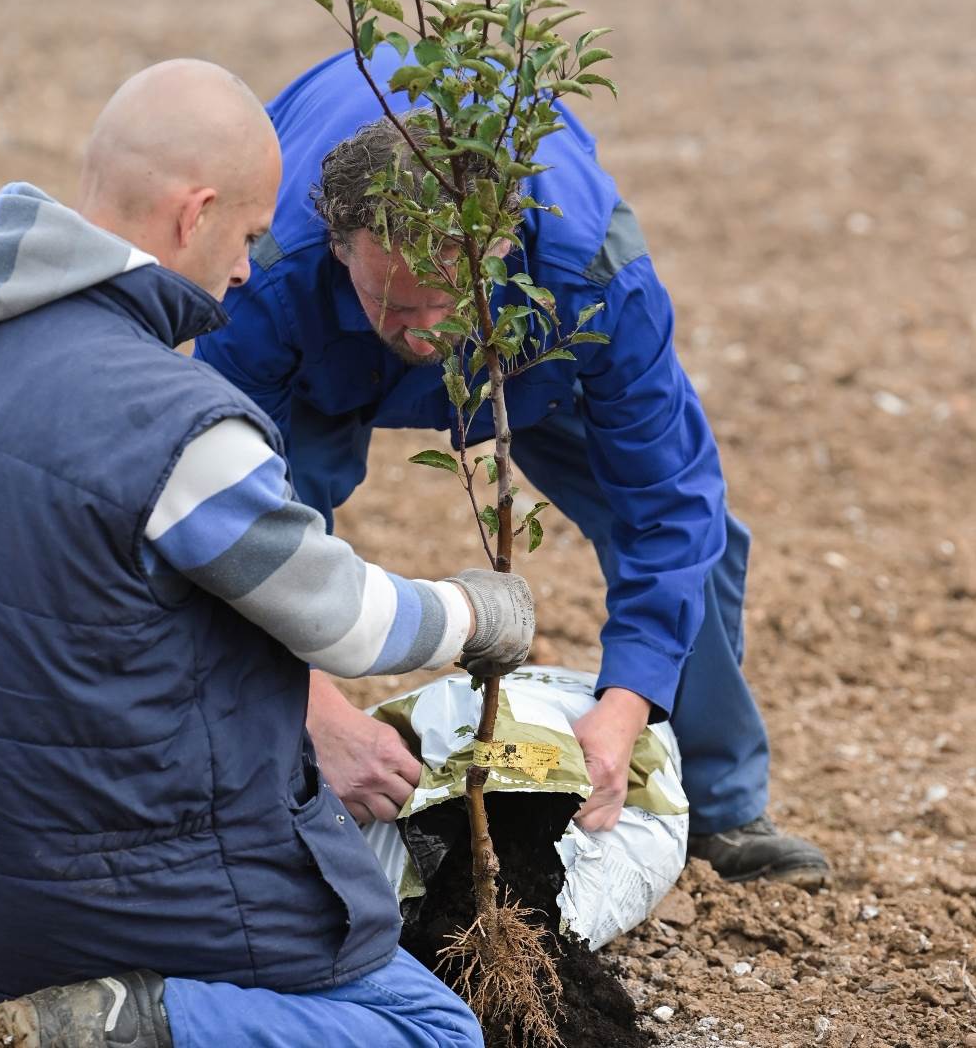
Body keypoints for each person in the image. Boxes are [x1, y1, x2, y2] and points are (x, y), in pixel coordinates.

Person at [0, 59, 539, 1048]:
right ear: (193, 215)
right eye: (244, 236)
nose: (246, 271)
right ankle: (143, 1021)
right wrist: (479, 612)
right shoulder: (173, 425)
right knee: (437, 1036)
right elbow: (349, 623)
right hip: (119, 887)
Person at [194, 46, 831, 887]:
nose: (422, 334)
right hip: (321, 358)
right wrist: (315, 710)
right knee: (263, 545)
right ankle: (253, 795)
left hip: (531, 351)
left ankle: (720, 801)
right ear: (340, 248)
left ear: (496, 251)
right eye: (393, 302)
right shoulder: (267, 278)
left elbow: (667, 504)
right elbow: (225, 522)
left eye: (441, 303)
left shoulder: (594, 284)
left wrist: (626, 707)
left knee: (696, 542)